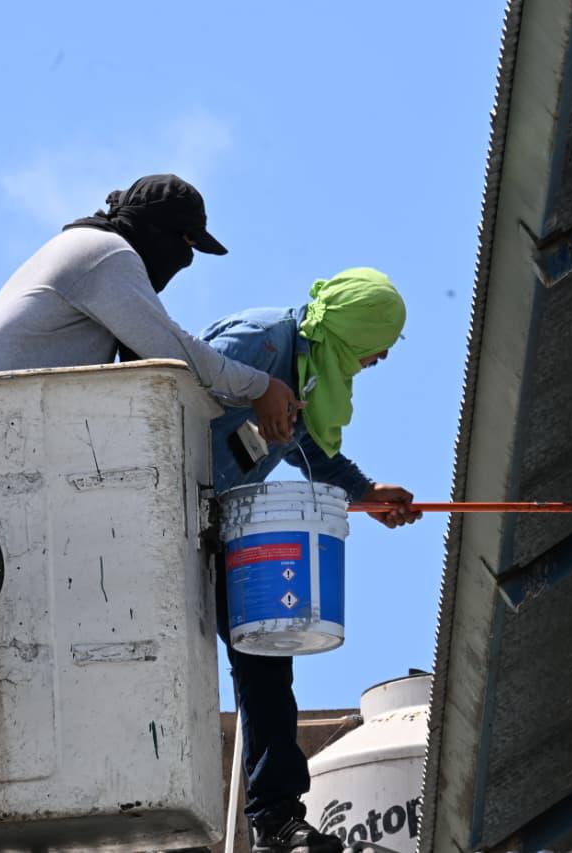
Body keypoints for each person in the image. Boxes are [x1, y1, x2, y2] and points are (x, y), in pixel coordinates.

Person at [200, 267, 422, 853]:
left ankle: (274, 820)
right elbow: (178, 389)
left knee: (266, 655)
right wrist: (253, 388)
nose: (378, 359)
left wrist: (368, 496)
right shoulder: (263, 341)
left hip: (214, 524)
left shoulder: (308, 372)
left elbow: (314, 455)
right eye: (379, 343)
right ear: (355, 328)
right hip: (166, 512)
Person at [0, 174, 298, 441]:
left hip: (6, 413)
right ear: (157, 229)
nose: (186, 259)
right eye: (187, 242)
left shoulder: (94, 245)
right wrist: (260, 386)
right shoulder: (105, 254)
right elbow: (172, 352)